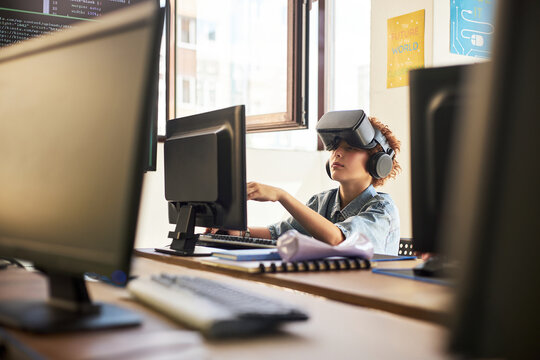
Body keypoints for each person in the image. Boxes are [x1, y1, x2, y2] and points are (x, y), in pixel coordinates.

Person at [210, 113, 402, 255]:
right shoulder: (322, 201)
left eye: (350, 148)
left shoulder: (382, 210)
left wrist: (281, 195)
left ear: (377, 162)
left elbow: (339, 239)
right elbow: (279, 234)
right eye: (335, 147)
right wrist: (240, 232)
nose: (337, 153)